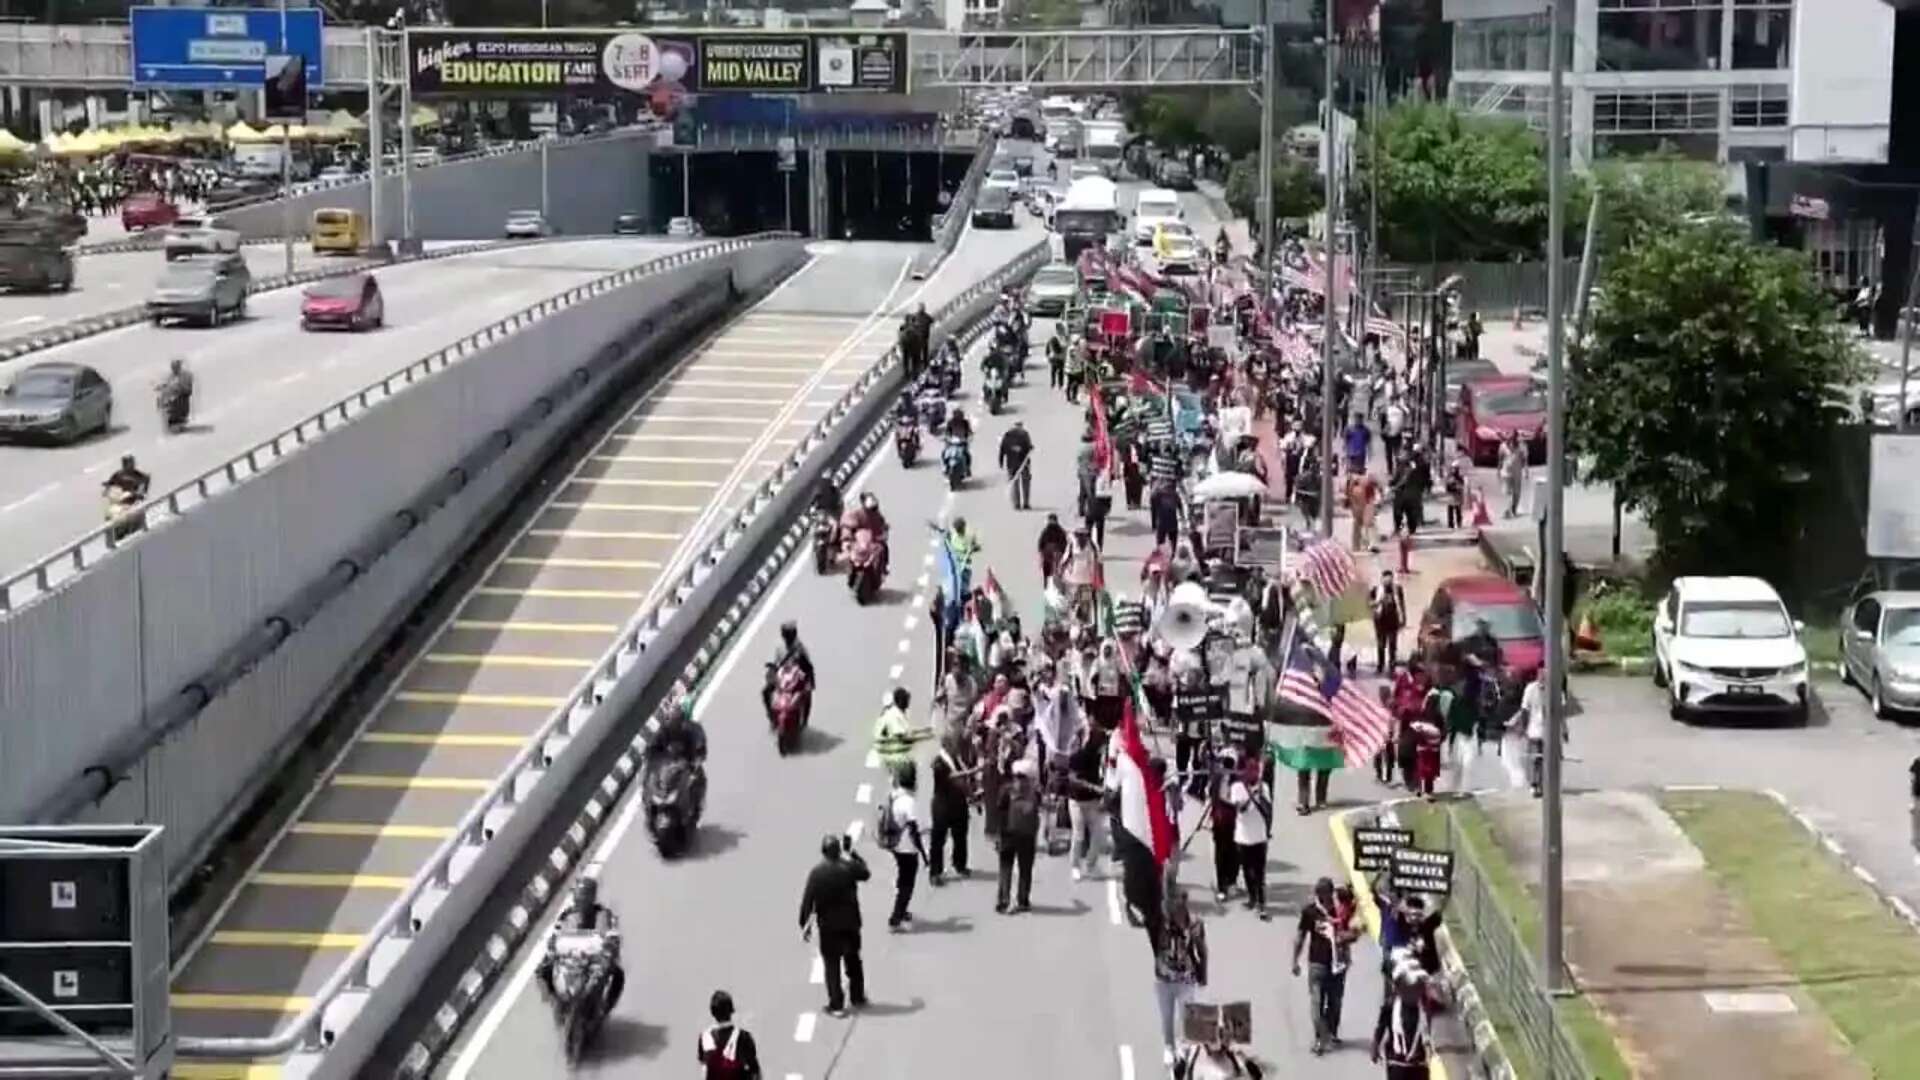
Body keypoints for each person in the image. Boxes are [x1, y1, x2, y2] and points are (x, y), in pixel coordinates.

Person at [799, 832, 870, 1018]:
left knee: (832, 966)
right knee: (853, 960)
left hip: (828, 927)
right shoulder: (848, 867)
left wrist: (804, 924)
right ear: (838, 851)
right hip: (851, 924)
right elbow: (865, 873)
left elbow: (808, 901)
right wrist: (852, 854)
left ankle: (836, 1004)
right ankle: (857, 996)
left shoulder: (817, 873)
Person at [536, 876, 625, 1013]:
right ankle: (553, 999)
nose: (579, 901)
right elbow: (556, 932)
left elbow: (612, 933)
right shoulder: (567, 914)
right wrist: (552, 945)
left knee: (617, 973)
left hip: (592, 959)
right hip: (571, 957)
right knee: (542, 969)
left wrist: (610, 946)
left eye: (583, 897)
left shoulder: (603, 914)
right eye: (577, 897)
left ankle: (605, 1007)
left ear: (591, 897)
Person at [1293, 876, 1360, 1054]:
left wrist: (1343, 936)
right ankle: (1320, 1037)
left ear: (1331, 893)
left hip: (1338, 964)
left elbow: (1355, 932)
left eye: (1326, 893)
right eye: (1319, 893)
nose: (1323, 897)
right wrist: (1295, 960)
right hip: (1317, 964)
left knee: (1335, 1002)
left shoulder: (1342, 912)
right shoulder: (1310, 912)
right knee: (1316, 1003)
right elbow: (1300, 936)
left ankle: (1331, 1032)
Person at [1152, 888, 1209, 1068]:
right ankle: (1169, 1047)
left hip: (1186, 979)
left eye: (1172, 909)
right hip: (1164, 979)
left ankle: (1184, 1049)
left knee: (1186, 1016)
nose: (1168, 913)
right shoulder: (1160, 924)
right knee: (1167, 1017)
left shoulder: (1195, 926)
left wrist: (1203, 975)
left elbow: (1202, 952)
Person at [1373, 949, 1444, 1080]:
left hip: (1418, 1065)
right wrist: (1375, 1046)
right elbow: (1381, 1026)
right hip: (1397, 1063)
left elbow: (1428, 1032)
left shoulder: (1424, 1007)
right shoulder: (1391, 1005)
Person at [879, 760, 930, 930]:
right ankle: (896, 917)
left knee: (902, 878)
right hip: (907, 847)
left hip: (895, 845)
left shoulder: (895, 794)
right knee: (908, 884)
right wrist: (923, 853)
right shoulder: (909, 801)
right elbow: (914, 830)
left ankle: (902, 910)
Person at [1227, 758, 1273, 920]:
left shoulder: (1264, 787)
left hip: (1259, 837)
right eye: (1251, 770)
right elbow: (1241, 810)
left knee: (1260, 873)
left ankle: (1261, 902)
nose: (1254, 773)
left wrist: (1261, 796)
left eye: (1256, 770)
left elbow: (1267, 809)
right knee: (1247, 870)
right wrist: (1250, 796)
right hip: (1243, 837)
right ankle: (1252, 898)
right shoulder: (1237, 788)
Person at [929, 731, 977, 884]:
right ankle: (935, 872)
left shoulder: (957, 759)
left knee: (960, 836)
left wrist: (971, 795)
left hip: (958, 804)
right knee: (938, 840)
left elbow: (963, 781)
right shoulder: (939, 762)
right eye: (954, 743)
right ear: (947, 745)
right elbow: (954, 778)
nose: (956, 746)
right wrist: (974, 771)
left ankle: (960, 864)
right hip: (943, 806)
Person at [995, 757, 1041, 913]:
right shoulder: (1034, 793)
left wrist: (998, 834)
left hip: (1008, 834)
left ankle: (1003, 900)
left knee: (1005, 867)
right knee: (1025, 869)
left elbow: (999, 812)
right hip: (1027, 836)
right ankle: (1023, 900)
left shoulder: (1006, 790)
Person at [696, 990, 762, 1078]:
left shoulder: (704, 1037)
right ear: (731, 1011)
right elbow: (755, 1071)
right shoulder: (744, 1037)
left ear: (713, 1012)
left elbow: (704, 1070)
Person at [763, 621, 815, 724]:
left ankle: (805, 720)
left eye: (789, 635)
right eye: (786, 635)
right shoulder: (779, 647)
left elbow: (808, 666)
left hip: (796, 677)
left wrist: (809, 681)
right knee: (765, 691)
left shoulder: (800, 648)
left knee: (807, 694)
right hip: (782, 676)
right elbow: (774, 661)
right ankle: (771, 714)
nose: (788, 638)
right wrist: (771, 668)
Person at [872, 686, 920, 771]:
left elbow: (907, 732)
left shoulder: (900, 712)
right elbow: (903, 737)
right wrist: (923, 738)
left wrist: (925, 731)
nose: (909, 702)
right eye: (906, 699)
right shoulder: (894, 715)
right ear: (901, 701)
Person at [1370, 571, 1407, 673]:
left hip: (1393, 621)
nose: (1388, 582)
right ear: (1382, 579)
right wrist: (1378, 602)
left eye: (1390, 579)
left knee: (1392, 645)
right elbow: (1369, 604)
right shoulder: (1376, 589)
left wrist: (1403, 618)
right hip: (1380, 620)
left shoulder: (1397, 589)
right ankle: (1380, 665)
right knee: (1381, 645)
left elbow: (1402, 604)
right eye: (1385, 579)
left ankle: (1392, 667)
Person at [999, 420, 1034, 510]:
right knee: (1023, 483)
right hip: (1022, 463)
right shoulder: (1024, 435)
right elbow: (1029, 446)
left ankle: (1018, 504)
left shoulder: (1007, 435)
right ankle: (1023, 503)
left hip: (1014, 463)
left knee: (1016, 483)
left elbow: (1002, 449)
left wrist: (1001, 461)